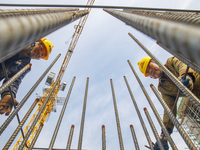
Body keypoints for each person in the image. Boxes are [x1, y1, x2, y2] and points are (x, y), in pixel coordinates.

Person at [137, 56, 200, 150]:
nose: (151, 71)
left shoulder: (171, 62)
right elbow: (169, 110)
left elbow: (182, 65)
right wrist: (164, 136)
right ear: (152, 77)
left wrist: (186, 77)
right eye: (148, 72)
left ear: (155, 62)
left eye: (150, 66)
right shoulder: (163, 88)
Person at [0, 38, 54, 116]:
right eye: (41, 48)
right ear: (36, 42)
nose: (39, 54)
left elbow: (14, 79)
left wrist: (9, 94)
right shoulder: (18, 39)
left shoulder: (24, 65)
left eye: (42, 55)